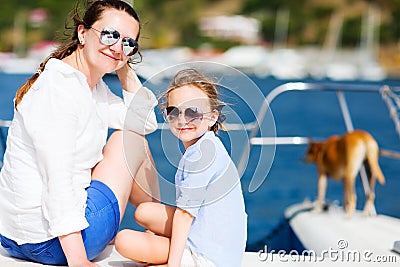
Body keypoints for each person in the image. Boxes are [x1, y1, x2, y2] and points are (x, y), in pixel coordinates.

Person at [0, 0, 160, 266]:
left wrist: (124, 68)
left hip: (13, 236)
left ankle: (159, 225)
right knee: (127, 140)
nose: (118, 47)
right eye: (110, 35)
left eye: (129, 43)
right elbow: (58, 180)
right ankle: (160, 227)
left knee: (130, 134)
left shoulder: (89, 86)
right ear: (83, 33)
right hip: (50, 244)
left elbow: (144, 122)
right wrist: (79, 261)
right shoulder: (61, 92)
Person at [115, 68, 247, 267]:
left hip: (209, 256)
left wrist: (173, 263)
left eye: (193, 112)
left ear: (212, 117)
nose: (182, 119)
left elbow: (185, 216)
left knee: (124, 240)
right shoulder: (205, 145)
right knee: (144, 211)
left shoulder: (202, 156)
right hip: (214, 238)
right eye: (174, 112)